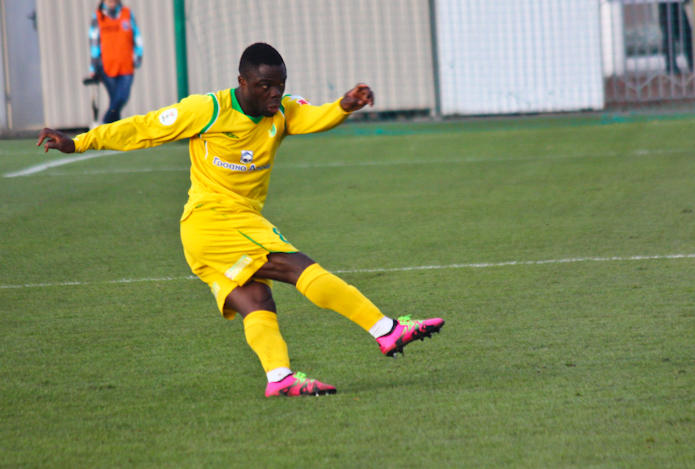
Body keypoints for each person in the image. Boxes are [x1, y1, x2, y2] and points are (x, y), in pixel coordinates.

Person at [38, 43, 444, 397]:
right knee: (296, 266)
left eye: (280, 84)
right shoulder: (208, 109)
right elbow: (143, 128)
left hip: (217, 231)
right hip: (213, 220)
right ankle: (386, 330)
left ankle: (280, 378)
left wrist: (343, 106)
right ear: (242, 82)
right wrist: (79, 142)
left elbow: (313, 116)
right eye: (265, 85)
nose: (275, 92)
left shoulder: (281, 112)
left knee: (257, 300)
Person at [88, 0, 143, 124]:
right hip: (107, 66)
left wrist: (138, 56)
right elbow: (94, 42)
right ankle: (112, 129)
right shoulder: (98, 16)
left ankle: (103, 124)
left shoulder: (127, 13)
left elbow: (136, 36)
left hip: (126, 64)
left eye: (115, 0)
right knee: (115, 100)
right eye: (109, 1)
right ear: (104, 1)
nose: (113, 3)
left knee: (122, 97)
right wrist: (93, 67)